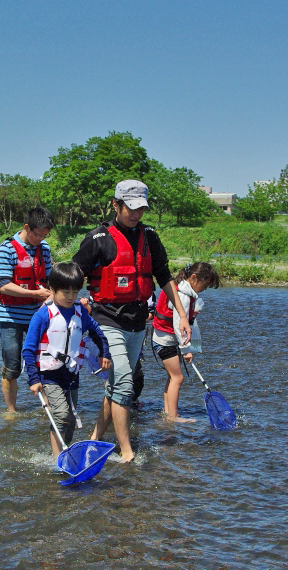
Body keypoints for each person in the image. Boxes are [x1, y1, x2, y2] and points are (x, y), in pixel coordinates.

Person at [71, 179, 191, 462]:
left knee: (115, 384)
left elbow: (163, 276)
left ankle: (94, 438)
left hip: (137, 321)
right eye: (131, 208)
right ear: (116, 204)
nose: (136, 214)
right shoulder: (98, 239)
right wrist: (65, 304)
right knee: (125, 382)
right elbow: (73, 275)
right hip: (106, 318)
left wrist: (182, 315)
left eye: (141, 209)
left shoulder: (150, 236)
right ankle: (126, 452)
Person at [22, 262, 111, 458]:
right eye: (65, 292)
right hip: (48, 374)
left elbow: (98, 333)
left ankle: (64, 452)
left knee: (70, 420)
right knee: (61, 415)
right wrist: (34, 379)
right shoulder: (43, 315)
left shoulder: (81, 313)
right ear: (52, 290)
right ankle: (57, 461)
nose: (71, 297)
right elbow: (28, 349)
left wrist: (105, 354)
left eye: (74, 292)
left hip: (71, 375)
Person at [0, 207, 55, 413]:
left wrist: (51, 296)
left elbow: (50, 280)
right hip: (10, 316)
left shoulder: (44, 249)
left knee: (44, 362)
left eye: (45, 235)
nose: (41, 239)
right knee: (12, 365)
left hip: (38, 315)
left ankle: (46, 408)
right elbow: (3, 284)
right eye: (38, 234)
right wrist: (35, 294)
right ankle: (11, 411)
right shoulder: (6, 249)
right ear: (27, 227)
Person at [152, 262, 220, 422]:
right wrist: (185, 349)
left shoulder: (181, 290)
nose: (205, 288)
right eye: (205, 284)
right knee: (177, 378)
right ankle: (173, 417)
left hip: (164, 338)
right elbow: (178, 324)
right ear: (194, 278)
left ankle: (168, 413)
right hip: (165, 340)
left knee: (172, 376)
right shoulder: (182, 295)